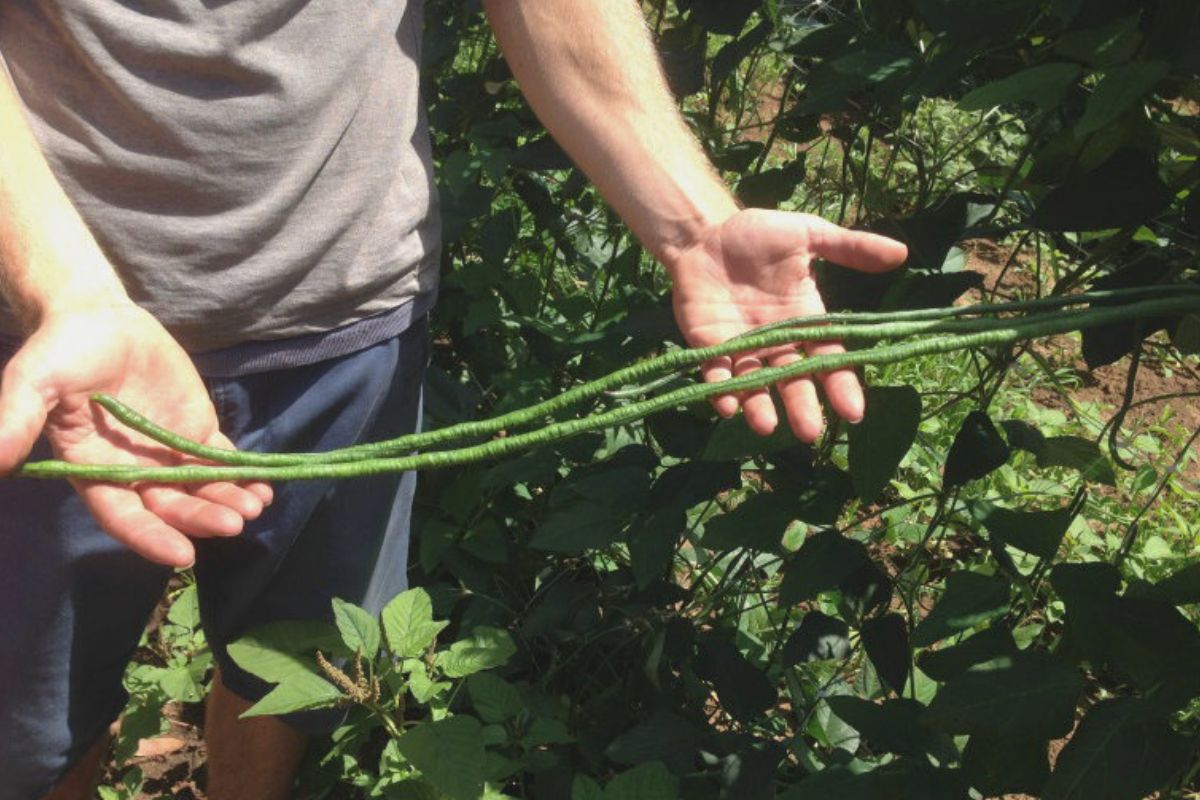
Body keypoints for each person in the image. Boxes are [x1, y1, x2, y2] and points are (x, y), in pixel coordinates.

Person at [0, 1, 907, 798]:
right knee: (28, 729)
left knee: (302, 655)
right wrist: (64, 288)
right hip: (53, 353)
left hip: (353, 319)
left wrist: (694, 223)